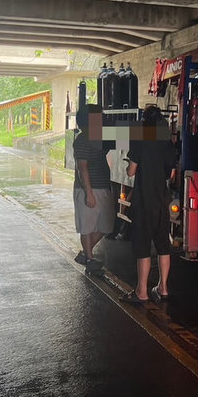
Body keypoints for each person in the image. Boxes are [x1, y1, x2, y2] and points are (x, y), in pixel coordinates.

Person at [122, 106, 177, 303]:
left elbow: (130, 171)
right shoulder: (167, 142)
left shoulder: (141, 139)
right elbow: (171, 173)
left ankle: (142, 292)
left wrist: (128, 164)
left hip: (143, 201)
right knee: (163, 246)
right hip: (161, 201)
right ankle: (163, 288)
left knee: (143, 247)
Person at [73, 104, 114, 273]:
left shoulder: (98, 137)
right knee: (87, 226)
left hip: (103, 187)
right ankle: (90, 260)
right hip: (89, 189)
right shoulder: (82, 139)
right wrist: (89, 193)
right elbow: (83, 168)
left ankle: (85, 253)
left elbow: (132, 137)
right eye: (100, 116)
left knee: (106, 226)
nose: (102, 118)